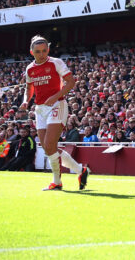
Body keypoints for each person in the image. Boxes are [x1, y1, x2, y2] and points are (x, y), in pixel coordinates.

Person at [21, 35, 89, 191]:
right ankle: (80, 170)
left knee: (50, 144)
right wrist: (26, 101)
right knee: (47, 148)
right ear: (32, 52)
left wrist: (55, 96)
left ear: (48, 50)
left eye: (44, 50)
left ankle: (57, 181)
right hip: (40, 109)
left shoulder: (56, 63)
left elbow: (71, 82)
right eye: (38, 51)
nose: (41, 54)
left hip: (57, 105)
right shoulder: (29, 69)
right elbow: (29, 88)